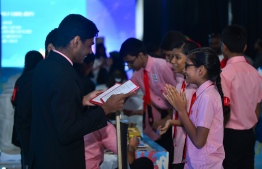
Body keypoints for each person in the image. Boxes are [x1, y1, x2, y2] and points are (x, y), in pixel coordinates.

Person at [29, 14, 132, 169]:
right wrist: (106, 109)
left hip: (44, 156)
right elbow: (67, 131)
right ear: (76, 41)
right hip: (61, 161)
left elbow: (53, 110)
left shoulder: (45, 66)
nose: (91, 51)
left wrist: (82, 100)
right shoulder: (64, 73)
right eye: (90, 45)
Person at [162, 47, 230, 168]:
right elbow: (194, 127)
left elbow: (199, 141)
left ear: (201, 70)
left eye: (187, 66)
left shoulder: (207, 97)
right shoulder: (203, 94)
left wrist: (182, 110)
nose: (184, 70)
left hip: (205, 164)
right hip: (197, 162)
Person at [119, 38, 178, 169]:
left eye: (130, 62)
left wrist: (168, 119)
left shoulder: (162, 66)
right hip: (157, 122)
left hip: (175, 117)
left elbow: (181, 95)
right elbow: (127, 90)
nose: (129, 66)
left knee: (173, 160)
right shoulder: (139, 72)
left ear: (140, 55)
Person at [220, 24, 262, 169]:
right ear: (244, 47)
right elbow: (258, 108)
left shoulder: (225, 74)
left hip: (230, 133)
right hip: (250, 134)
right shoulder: (255, 73)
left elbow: (225, 108)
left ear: (223, 47)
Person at [158, 40, 198, 169]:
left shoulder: (196, 88)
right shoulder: (181, 84)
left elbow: (196, 124)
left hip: (191, 153)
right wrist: (171, 122)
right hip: (179, 147)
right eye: (172, 57)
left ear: (191, 59)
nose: (172, 61)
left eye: (177, 57)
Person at [11, 50, 44, 169]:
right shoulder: (40, 78)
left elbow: (14, 101)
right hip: (37, 128)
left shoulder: (21, 79)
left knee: (26, 161)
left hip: (22, 127)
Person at [84, 121, 153, 169]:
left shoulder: (76, 120)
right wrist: (132, 147)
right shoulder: (102, 124)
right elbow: (129, 159)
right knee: (145, 163)